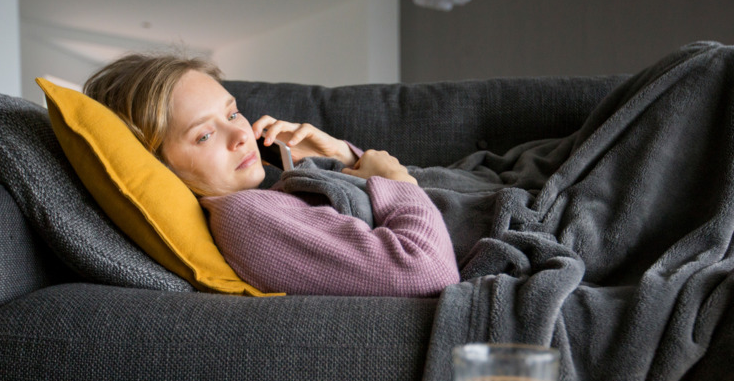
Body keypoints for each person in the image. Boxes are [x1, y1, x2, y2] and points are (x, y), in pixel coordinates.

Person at [83, 53, 460, 296]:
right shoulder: (244, 216)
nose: (240, 135)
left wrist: (343, 158)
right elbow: (425, 270)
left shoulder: (273, 192)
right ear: (156, 165)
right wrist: (396, 182)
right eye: (204, 134)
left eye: (232, 114)